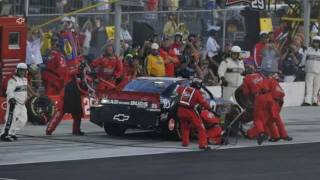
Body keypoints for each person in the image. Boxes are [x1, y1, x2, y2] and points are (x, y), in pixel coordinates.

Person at [176, 79, 211, 150]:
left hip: (180, 110)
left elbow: (177, 91)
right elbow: (203, 103)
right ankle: (203, 144)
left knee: (184, 127)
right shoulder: (197, 92)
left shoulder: (183, 88)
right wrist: (209, 108)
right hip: (189, 111)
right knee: (200, 127)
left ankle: (185, 143)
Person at [241, 70, 271, 145]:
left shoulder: (246, 79)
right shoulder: (259, 75)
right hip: (269, 96)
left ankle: (259, 133)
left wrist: (248, 103)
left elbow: (246, 93)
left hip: (260, 97)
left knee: (257, 118)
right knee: (266, 116)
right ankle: (267, 133)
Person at [0, 63, 28, 142]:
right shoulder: (13, 79)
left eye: (24, 70)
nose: (22, 72)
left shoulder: (25, 79)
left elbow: (24, 91)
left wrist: (26, 98)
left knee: (23, 120)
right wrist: (11, 99)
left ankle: (11, 132)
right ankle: (4, 134)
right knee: (10, 119)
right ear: (17, 70)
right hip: (14, 103)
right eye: (20, 70)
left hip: (22, 104)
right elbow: (9, 91)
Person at [266, 73, 293, 142]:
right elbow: (282, 95)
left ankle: (275, 136)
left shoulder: (269, 81)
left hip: (271, 103)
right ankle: (284, 136)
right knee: (277, 120)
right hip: (277, 104)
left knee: (269, 121)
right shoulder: (276, 84)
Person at [302, 36, 320, 106]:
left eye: (317, 42)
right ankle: (307, 101)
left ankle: (315, 101)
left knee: (317, 87)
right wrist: (303, 66)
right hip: (309, 70)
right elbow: (304, 59)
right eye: (315, 42)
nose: (316, 43)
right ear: (312, 42)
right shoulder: (308, 50)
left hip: (318, 71)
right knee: (308, 86)